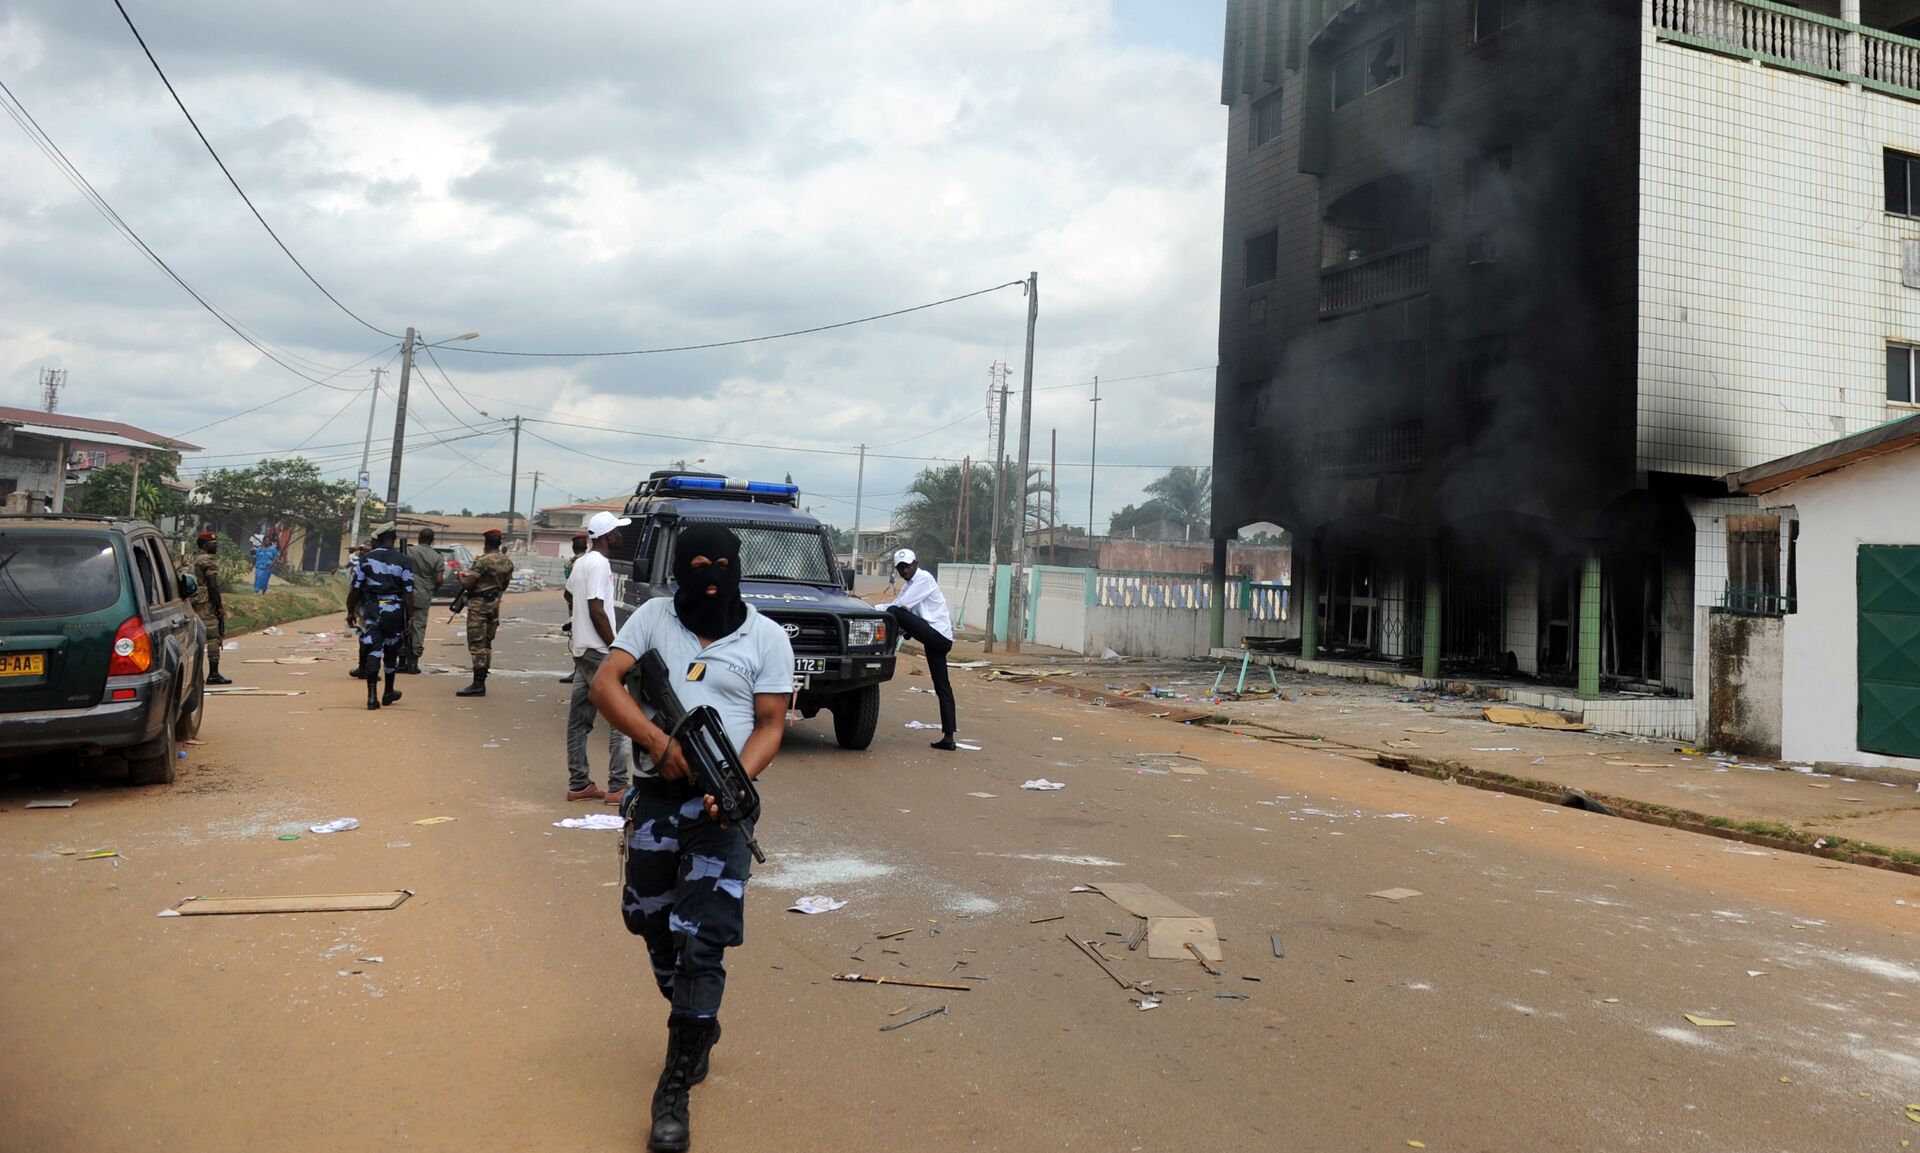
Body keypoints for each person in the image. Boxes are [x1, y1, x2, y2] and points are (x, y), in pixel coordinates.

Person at [588, 523, 794, 1153]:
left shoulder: (766, 636)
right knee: (649, 920)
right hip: (655, 796)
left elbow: (770, 724)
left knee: (701, 940)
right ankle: (697, 1018)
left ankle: (674, 1086)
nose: (711, 573)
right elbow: (607, 684)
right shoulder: (652, 618)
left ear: (738, 566)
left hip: (722, 810)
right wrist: (660, 744)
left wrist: (733, 781)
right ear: (679, 567)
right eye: (698, 562)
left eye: (723, 563)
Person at [563, 513, 634, 802]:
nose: (621, 535)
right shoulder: (600, 564)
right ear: (608, 536)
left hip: (581, 649)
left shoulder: (581, 563)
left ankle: (579, 784)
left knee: (579, 719)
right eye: (617, 531)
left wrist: (577, 621)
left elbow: (569, 596)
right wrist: (616, 647)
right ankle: (618, 785)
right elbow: (597, 609)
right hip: (599, 651)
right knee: (623, 717)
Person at [878, 547, 957, 750]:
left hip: (937, 635)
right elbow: (895, 603)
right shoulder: (910, 585)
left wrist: (878, 611)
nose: (905, 571)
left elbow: (901, 606)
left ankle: (889, 646)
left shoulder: (924, 579)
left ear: (916, 563)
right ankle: (949, 737)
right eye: (900, 568)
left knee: (896, 613)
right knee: (942, 686)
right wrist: (871, 608)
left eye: (907, 566)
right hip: (935, 639)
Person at [346, 524, 414, 710]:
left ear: (379, 539)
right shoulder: (404, 560)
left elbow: (356, 588)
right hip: (395, 608)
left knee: (374, 650)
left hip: (373, 608)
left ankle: (371, 697)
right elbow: (408, 592)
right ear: (393, 538)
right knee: (391, 650)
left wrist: (350, 611)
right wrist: (410, 617)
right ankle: (388, 691)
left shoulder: (366, 559)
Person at [453, 528, 515, 697]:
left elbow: (468, 584)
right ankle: (481, 679)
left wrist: (460, 577)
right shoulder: (507, 562)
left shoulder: (482, 561)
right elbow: (504, 585)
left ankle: (478, 684)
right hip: (494, 604)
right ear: (499, 543)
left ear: (486, 543)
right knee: (487, 642)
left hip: (479, 604)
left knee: (477, 642)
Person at [189, 531, 231, 685]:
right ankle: (213, 673)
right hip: (205, 605)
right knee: (213, 637)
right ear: (205, 544)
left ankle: (194, 674)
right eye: (213, 543)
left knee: (193, 637)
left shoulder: (190, 558)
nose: (216, 545)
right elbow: (213, 585)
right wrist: (219, 606)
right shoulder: (207, 561)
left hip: (190, 603)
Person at [401, 528, 445, 675]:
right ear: (432, 540)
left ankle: (401, 661)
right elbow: (439, 579)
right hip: (424, 594)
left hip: (405, 593)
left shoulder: (408, 551)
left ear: (419, 537)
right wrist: (432, 588)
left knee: (401, 624)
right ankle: (413, 663)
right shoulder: (436, 557)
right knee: (418, 627)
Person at [558, 532, 591, 685]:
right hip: (588, 603)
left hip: (577, 605)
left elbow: (569, 591)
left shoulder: (574, 564)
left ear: (573, 547)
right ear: (586, 546)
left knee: (578, 638)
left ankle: (578, 671)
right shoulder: (590, 561)